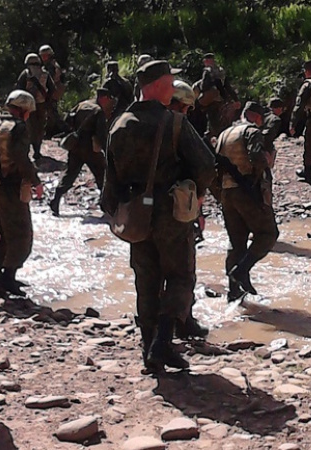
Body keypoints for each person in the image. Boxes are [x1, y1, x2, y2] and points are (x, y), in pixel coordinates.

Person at [102, 60, 216, 371]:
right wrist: (198, 195)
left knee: (146, 279)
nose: (172, 88)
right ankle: (162, 344)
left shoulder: (119, 124)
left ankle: (148, 348)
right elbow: (206, 164)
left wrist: (116, 211)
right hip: (172, 214)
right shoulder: (174, 122)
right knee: (180, 276)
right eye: (169, 83)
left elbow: (110, 178)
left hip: (136, 214)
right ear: (157, 86)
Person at [216, 101, 279, 302]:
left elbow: (214, 164)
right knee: (268, 234)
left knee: (236, 243)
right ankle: (242, 270)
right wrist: (265, 166)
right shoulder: (252, 132)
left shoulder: (225, 134)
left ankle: (234, 292)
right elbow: (256, 157)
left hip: (227, 193)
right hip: (247, 191)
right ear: (256, 117)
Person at [0, 90, 44, 297]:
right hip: (10, 187)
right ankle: (7, 278)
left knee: (0, 232)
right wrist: (35, 181)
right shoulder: (18, 128)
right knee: (21, 233)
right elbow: (20, 157)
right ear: (24, 110)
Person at [165, 78, 209, 340]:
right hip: (177, 210)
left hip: (141, 210)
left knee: (150, 270)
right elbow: (204, 166)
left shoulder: (137, 122)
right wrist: (199, 203)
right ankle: (181, 323)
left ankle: (152, 327)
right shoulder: (179, 127)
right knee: (182, 270)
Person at [49, 88, 116, 216]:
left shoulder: (82, 105)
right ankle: (105, 206)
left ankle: (55, 200)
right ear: (104, 98)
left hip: (76, 147)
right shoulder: (98, 111)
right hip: (91, 149)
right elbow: (101, 135)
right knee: (102, 175)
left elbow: (68, 119)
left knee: (70, 175)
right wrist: (107, 150)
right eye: (109, 99)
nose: (109, 102)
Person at [16, 52, 56, 159]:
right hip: (41, 104)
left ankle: (31, 150)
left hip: (28, 106)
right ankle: (37, 150)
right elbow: (52, 88)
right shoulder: (45, 74)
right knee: (39, 127)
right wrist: (47, 100)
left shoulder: (25, 74)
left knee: (29, 127)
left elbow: (19, 89)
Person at [196, 53, 240, 139]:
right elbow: (227, 86)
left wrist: (200, 83)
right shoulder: (221, 70)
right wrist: (236, 99)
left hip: (211, 102)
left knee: (212, 124)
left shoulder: (207, 71)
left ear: (207, 60)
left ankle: (210, 141)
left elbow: (203, 86)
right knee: (222, 122)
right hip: (222, 101)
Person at [39, 45, 69, 137]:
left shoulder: (51, 66)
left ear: (49, 55)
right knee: (50, 112)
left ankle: (67, 129)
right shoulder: (51, 64)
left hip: (53, 91)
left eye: (45, 56)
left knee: (52, 112)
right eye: (42, 56)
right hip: (54, 90)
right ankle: (49, 132)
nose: (43, 58)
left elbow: (50, 80)